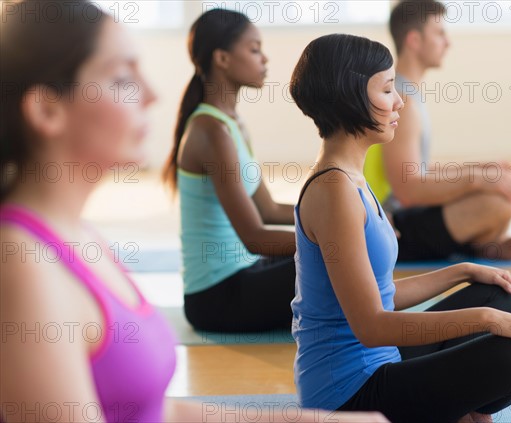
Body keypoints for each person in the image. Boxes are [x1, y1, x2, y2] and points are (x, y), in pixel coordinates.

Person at [0, 2, 386, 422]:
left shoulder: (80, 237)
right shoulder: (24, 267)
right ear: (46, 109)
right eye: (121, 77)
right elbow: (254, 234)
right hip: (220, 296)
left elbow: (152, 412)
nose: (151, 94)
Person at [290, 32, 511, 423]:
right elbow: (372, 326)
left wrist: (462, 272)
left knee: (495, 294)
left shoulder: (350, 177)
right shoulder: (333, 190)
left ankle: (458, 408)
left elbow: (382, 295)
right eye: (388, 89)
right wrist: (484, 319)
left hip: (382, 360)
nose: (399, 101)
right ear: (351, 97)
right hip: (350, 393)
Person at [363, 0, 511, 262]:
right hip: (392, 227)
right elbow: (408, 190)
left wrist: (479, 168)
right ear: (414, 40)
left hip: (404, 212)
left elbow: (417, 171)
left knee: (496, 180)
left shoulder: (406, 92)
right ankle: (480, 245)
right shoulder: (402, 100)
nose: (448, 42)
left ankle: (481, 245)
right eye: (440, 33)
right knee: (497, 203)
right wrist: (476, 179)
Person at [162, 8, 297, 333]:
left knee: (337, 258)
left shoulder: (230, 124)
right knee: (335, 262)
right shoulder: (211, 131)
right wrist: (341, 240)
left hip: (245, 273)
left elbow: (269, 209)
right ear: (222, 58)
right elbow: (255, 238)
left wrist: (345, 218)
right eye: (254, 49)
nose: (264, 59)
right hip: (216, 298)